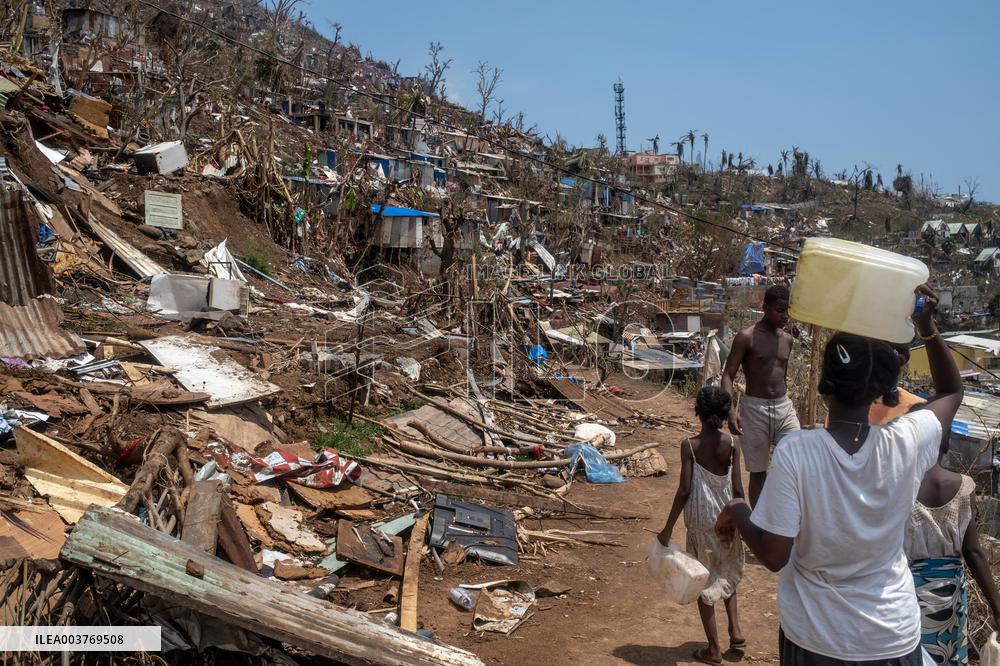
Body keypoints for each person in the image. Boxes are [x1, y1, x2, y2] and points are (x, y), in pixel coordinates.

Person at [715, 284, 963, 665]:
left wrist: (738, 508)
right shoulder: (907, 440)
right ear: (880, 388)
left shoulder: (798, 452)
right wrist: (925, 325)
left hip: (817, 639)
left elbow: (774, 554)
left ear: (824, 386)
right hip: (893, 637)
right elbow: (950, 391)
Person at [658, 386, 746, 665]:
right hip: (727, 520)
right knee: (727, 572)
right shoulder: (732, 444)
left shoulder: (689, 446)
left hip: (700, 523)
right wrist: (740, 520)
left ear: (697, 411)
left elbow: (684, 491)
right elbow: (738, 489)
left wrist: (668, 527)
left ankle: (714, 650)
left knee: (703, 585)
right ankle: (736, 630)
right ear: (724, 414)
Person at [904, 441, 1000, 665]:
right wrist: (996, 605)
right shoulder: (964, 486)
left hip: (911, 590)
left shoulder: (902, 486)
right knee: (951, 652)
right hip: (952, 593)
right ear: (946, 445)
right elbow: (973, 552)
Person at [721, 284, 800, 507]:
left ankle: (784, 515)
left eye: (788, 310)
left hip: (784, 408)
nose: (785, 316)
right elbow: (728, 375)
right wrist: (730, 410)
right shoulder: (746, 338)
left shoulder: (787, 340)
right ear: (765, 307)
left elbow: (780, 376)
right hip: (755, 410)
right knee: (758, 472)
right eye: (780, 310)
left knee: (795, 459)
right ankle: (759, 525)